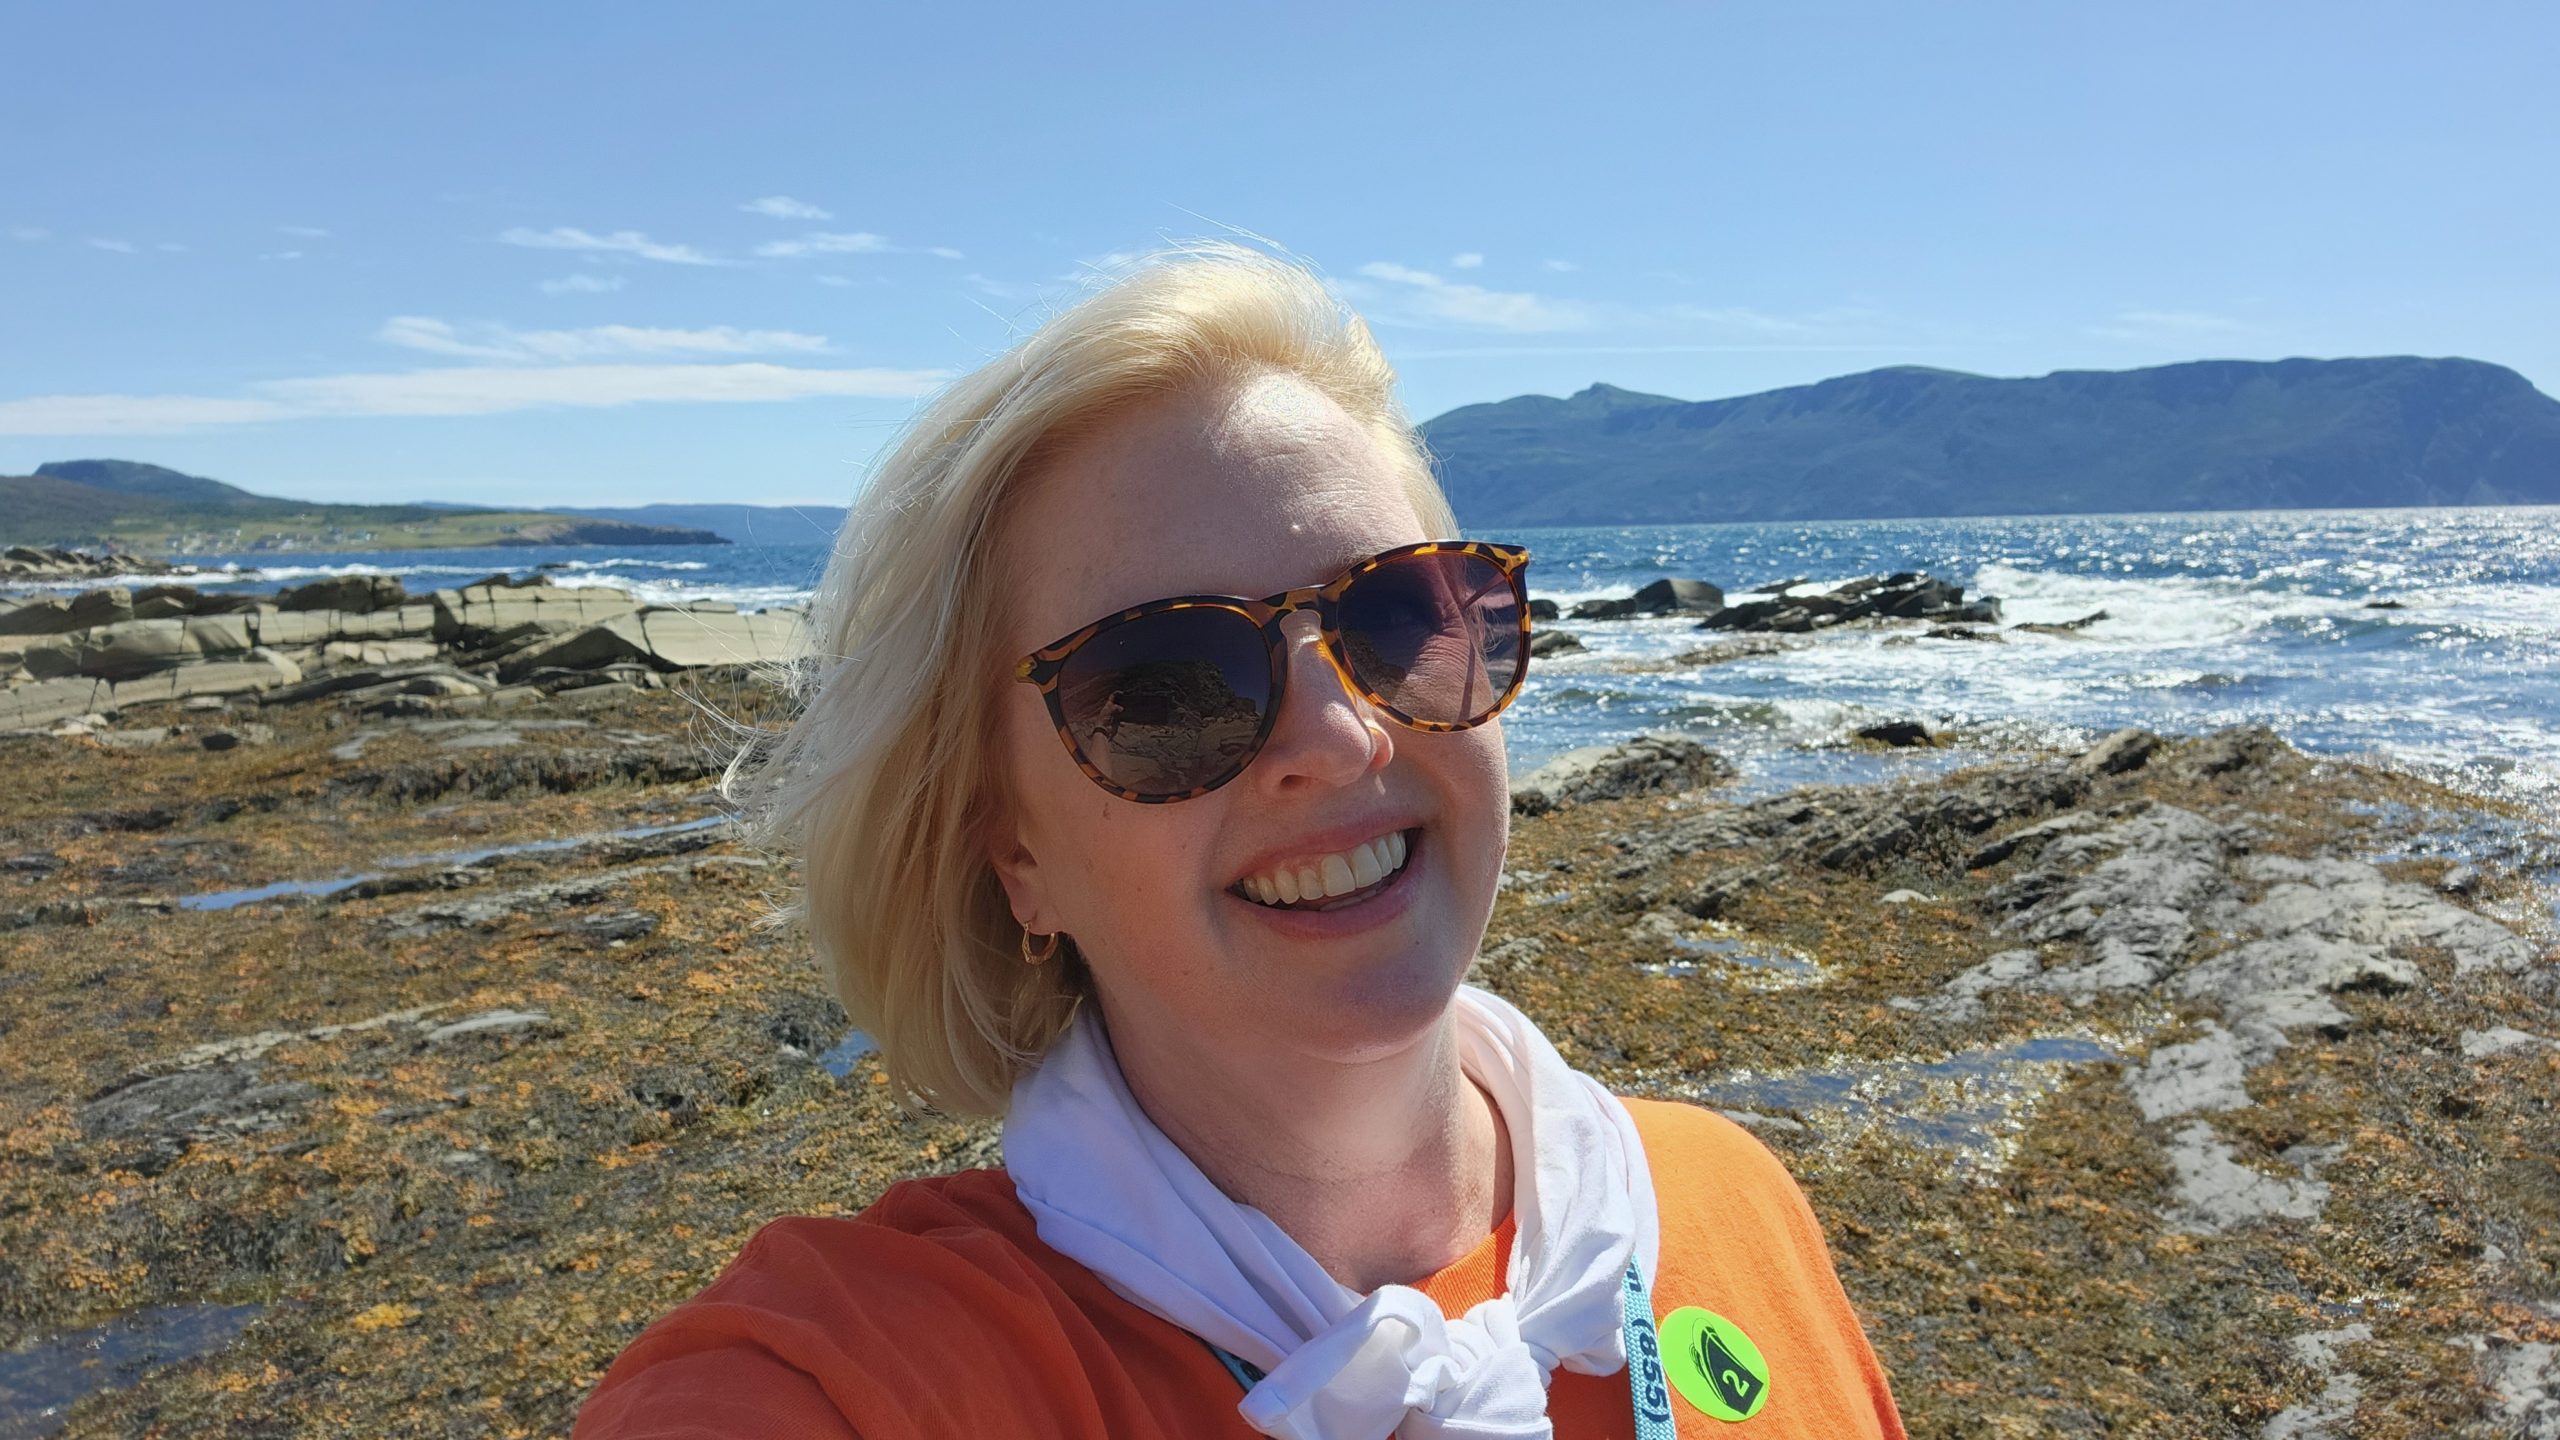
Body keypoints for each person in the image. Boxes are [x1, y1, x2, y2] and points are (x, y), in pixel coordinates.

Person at [574, 246, 1905, 1439]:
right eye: (1164, 686)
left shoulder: (1721, 1205)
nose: (1342, 738)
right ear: (1013, 852)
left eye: (1398, 619)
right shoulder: (860, 1381)